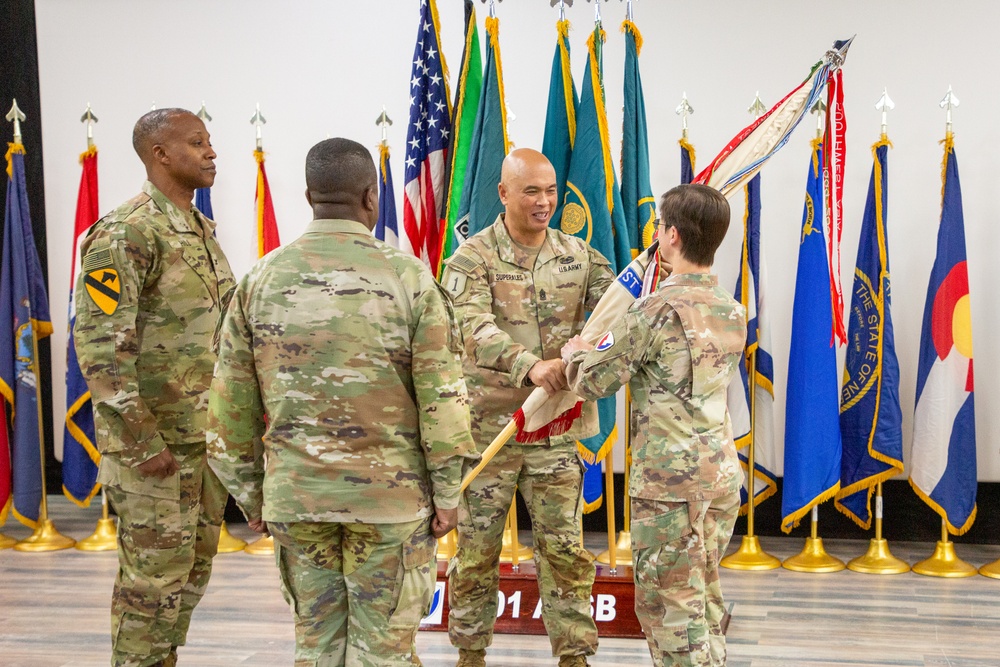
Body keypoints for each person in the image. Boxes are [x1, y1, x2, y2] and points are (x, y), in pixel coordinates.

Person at [206, 137, 476, 666]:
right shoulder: (410, 280)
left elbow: (228, 409)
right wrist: (448, 494)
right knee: (385, 653)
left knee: (318, 646)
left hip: (296, 498)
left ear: (309, 196)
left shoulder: (259, 280)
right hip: (390, 504)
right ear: (371, 198)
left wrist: (252, 497)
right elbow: (442, 403)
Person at [73, 108, 234, 667]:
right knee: (150, 586)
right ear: (160, 154)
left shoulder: (198, 230)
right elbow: (100, 351)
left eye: (210, 142)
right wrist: (143, 445)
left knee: (188, 575)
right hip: (153, 450)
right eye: (197, 142)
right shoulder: (126, 233)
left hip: (203, 441)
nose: (211, 152)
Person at [441, 148, 614, 667]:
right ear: (503, 194)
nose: (544, 202)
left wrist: (592, 348)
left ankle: (575, 657)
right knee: (476, 556)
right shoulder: (471, 258)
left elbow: (617, 312)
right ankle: (469, 655)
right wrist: (529, 365)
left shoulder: (578, 255)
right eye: (531, 191)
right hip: (485, 432)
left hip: (553, 430)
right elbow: (470, 326)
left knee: (564, 554)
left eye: (550, 190)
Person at [561, 184, 747, 667]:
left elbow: (593, 379)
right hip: (720, 479)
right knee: (702, 597)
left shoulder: (655, 312)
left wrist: (577, 352)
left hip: (669, 487)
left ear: (671, 237)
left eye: (661, 229)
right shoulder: (732, 309)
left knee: (669, 610)